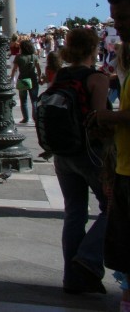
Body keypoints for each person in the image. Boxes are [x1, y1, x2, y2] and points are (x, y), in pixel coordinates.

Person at [46, 27, 111, 296]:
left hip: (63, 153)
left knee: (74, 213)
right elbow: (99, 119)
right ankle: (87, 258)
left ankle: (71, 278)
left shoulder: (61, 74)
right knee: (113, 207)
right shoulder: (97, 78)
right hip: (89, 152)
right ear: (94, 48)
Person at [99, 0, 130, 310]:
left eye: (123, 18)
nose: (116, 26)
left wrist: (109, 118)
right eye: (114, 20)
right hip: (124, 167)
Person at [10, 38, 43, 124]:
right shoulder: (34, 56)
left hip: (23, 79)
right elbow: (38, 69)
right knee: (34, 100)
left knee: (23, 100)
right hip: (33, 79)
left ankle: (25, 118)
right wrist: (39, 77)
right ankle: (35, 117)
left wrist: (12, 78)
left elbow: (14, 69)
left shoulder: (19, 57)